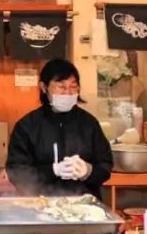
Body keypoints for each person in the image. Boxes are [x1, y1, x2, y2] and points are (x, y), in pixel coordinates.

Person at [6, 58, 113, 198]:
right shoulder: (27, 126)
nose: (68, 93)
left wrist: (89, 171)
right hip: (40, 203)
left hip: (84, 205)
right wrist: (53, 170)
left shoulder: (89, 124)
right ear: (44, 87)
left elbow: (105, 165)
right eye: (61, 87)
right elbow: (17, 172)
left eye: (73, 86)